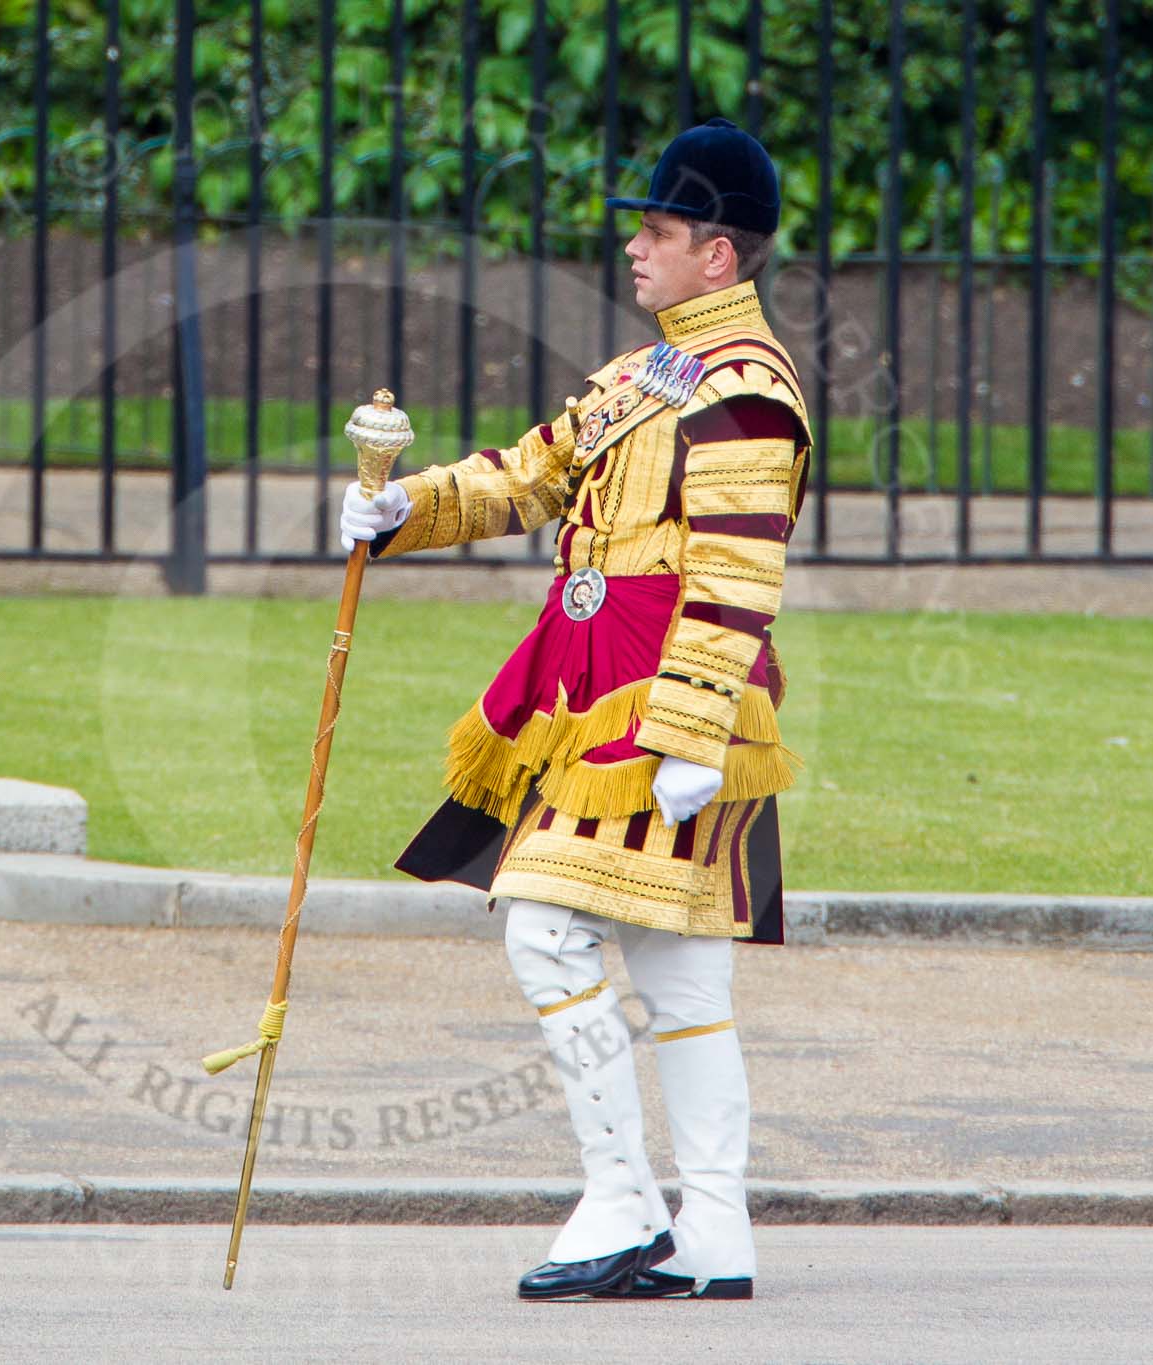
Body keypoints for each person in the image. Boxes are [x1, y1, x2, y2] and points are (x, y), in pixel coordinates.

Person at [338, 118, 812, 1302]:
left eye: (656, 232)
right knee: (682, 976)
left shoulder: (745, 388)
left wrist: (694, 734)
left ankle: (618, 1202)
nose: (635, 251)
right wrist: (408, 510)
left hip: (659, 707)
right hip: (591, 685)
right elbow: (531, 470)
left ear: (719, 254)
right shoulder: (649, 370)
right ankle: (712, 1235)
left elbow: (737, 572)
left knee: (544, 932)